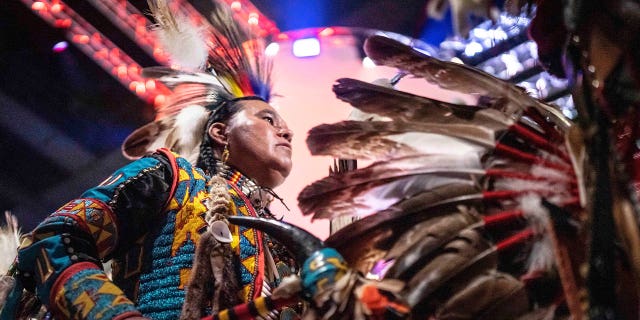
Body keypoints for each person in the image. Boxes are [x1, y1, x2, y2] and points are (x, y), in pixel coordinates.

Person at [0, 0, 297, 319]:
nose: (287, 131)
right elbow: (55, 238)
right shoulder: (173, 177)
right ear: (220, 133)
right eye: (268, 119)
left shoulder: (288, 243)